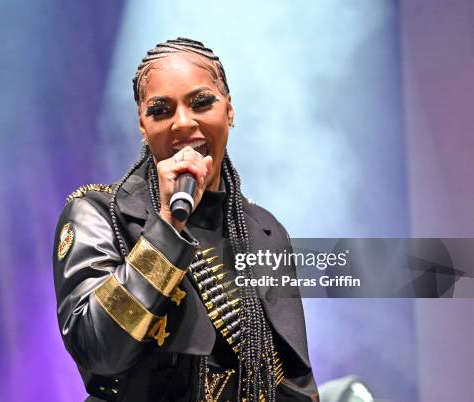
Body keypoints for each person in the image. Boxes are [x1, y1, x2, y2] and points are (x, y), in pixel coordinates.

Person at [53, 38, 317, 402]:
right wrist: (166, 229)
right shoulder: (98, 212)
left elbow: (293, 380)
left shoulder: (264, 230)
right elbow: (99, 353)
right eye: (160, 110)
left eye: (201, 102)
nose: (182, 123)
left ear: (230, 110)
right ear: (142, 126)